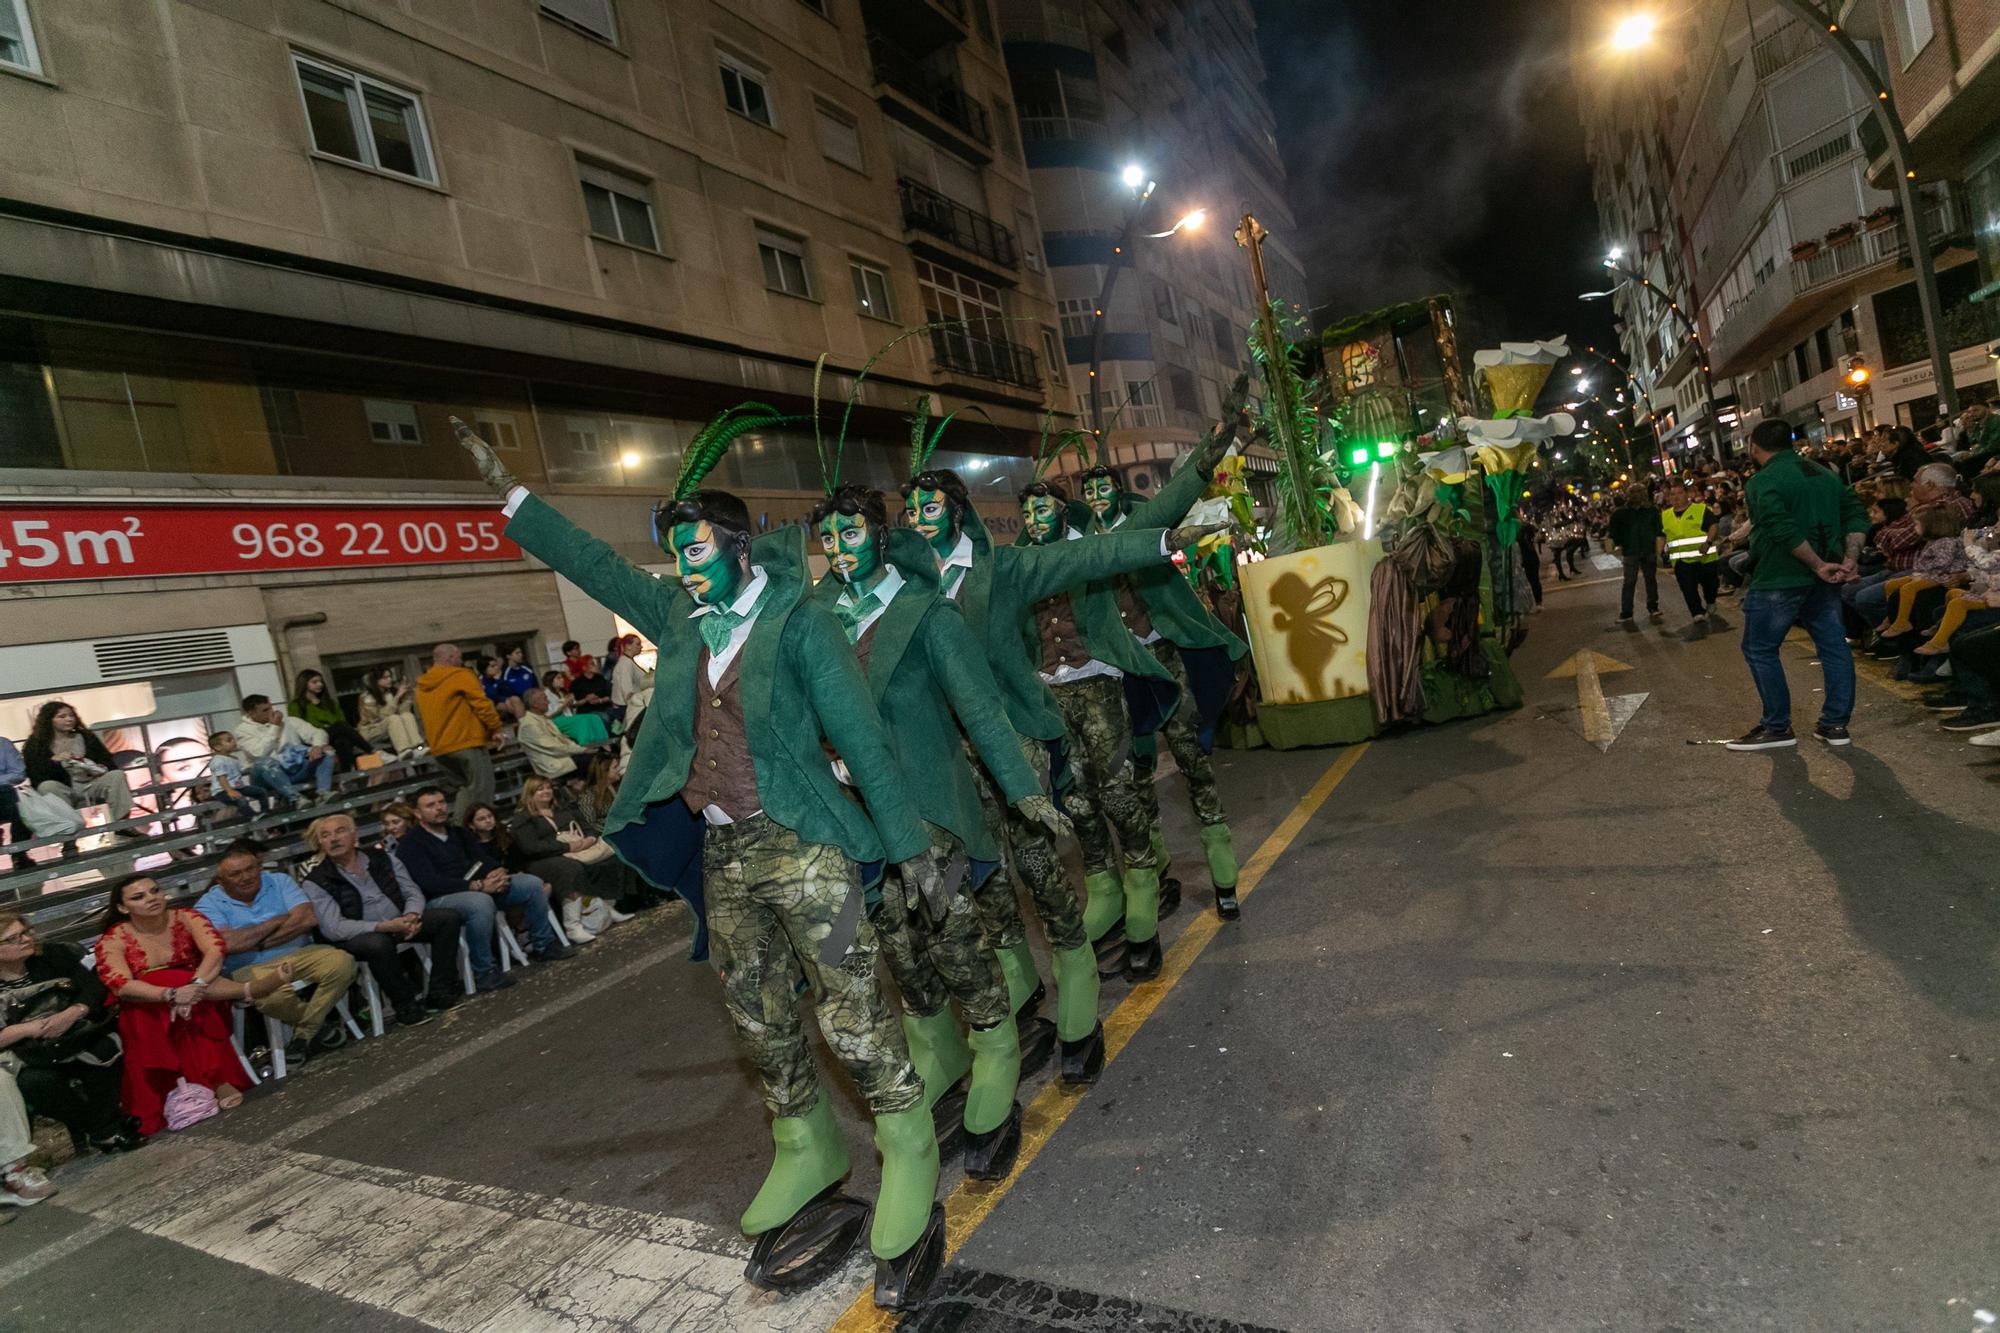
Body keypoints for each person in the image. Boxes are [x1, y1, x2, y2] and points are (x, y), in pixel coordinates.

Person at [458, 414, 953, 1309]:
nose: (684, 566)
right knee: (756, 1013)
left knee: (850, 1008)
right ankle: (807, 1143)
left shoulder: (801, 623)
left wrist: (911, 850)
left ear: (738, 548)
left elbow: (866, 743)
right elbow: (600, 569)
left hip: (820, 856)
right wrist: (517, 497)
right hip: (729, 854)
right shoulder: (683, 618)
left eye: (696, 550)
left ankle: (909, 1140)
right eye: (677, 552)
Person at [95, 875, 290, 1133]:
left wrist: (194, 986)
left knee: (187, 986)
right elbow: (120, 983)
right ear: (122, 907)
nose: (151, 898)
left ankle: (212, 1080)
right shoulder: (113, 938)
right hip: (148, 1003)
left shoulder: (186, 917)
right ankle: (246, 992)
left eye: (155, 890)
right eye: (138, 897)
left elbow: (214, 951)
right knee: (166, 992)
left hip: (199, 990)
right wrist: (171, 995)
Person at [1726, 419, 1870, 751]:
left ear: (1754, 447)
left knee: (1760, 648)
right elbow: (1855, 514)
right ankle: (1835, 724)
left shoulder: (1763, 481)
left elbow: (1780, 527)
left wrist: (1817, 564)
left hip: (1781, 574)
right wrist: (1848, 559)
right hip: (1828, 573)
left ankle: (1777, 726)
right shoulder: (1824, 473)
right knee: (1833, 646)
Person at [0, 913, 139, 1184]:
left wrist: (73, 1012)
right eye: (13, 939)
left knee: (103, 1050)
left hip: (74, 1032)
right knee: (35, 1082)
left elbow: (93, 988)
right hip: (26, 1049)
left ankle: (104, 1129)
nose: (26, 940)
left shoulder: (52, 954)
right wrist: (31, 1029)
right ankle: (102, 1128)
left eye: (25, 932)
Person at [194, 841, 357, 1067]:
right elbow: (229, 943)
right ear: (220, 881)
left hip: (300, 954)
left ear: (259, 867)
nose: (246, 877)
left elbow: (306, 919)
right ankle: (314, 1029)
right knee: (272, 996)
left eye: (251, 869)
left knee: (343, 963)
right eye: (236, 874)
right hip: (247, 969)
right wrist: (277, 920)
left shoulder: (279, 881)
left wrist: (256, 942)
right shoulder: (208, 904)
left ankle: (304, 1033)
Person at [393, 787, 571, 984]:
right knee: (479, 902)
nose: (439, 808)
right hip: (440, 899)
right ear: (417, 813)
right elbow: (429, 882)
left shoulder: (458, 832)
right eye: (431, 805)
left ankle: (543, 945)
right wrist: (476, 886)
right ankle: (484, 971)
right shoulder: (410, 844)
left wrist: (497, 872)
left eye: (441, 802)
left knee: (531, 883)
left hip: (479, 887)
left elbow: (483, 859)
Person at [302, 814, 466, 1028]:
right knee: (378, 943)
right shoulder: (315, 881)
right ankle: (405, 1005)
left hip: (400, 921)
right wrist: (383, 926)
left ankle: (440, 991)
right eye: (325, 835)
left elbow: (412, 891)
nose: (333, 839)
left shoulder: (382, 858)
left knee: (447, 919)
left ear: (354, 835)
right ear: (321, 843)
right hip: (357, 937)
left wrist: (411, 915)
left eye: (340, 831)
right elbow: (334, 928)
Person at [503, 779, 634, 943]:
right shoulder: (523, 819)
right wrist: (567, 847)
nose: (546, 791)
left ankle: (607, 906)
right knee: (569, 868)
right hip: (542, 860)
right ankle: (573, 926)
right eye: (540, 789)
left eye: (548, 788)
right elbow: (532, 847)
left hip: (577, 848)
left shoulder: (562, 809)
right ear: (530, 794)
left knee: (612, 858)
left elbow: (587, 827)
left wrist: (590, 839)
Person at [414, 644, 503, 821]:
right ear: (451, 658)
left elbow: (419, 719)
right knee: (481, 794)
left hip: (440, 749)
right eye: (459, 657)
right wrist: (495, 728)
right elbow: (482, 704)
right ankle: (469, 836)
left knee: (464, 790)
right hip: (466, 742)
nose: (461, 661)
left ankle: (460, 831)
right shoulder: (460, 675)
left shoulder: (421, 686)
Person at [24, 701, 137, 820]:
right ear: (49, 720)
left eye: (71, 716)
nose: (69, 719)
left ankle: (121, 822)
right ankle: (68, 829)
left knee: (117, 775)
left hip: (91, 783)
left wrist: (95, 768)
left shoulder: (86, 737)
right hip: (64, 788)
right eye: (62, 716)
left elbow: (108, 762)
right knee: (47, 786)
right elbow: (35, 774)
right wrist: (54, 762)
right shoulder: (35, 744)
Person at [1658, 479, 1726, 632]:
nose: (1676, 497)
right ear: (1668, 498)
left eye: (1680, 493)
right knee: (1688, 587)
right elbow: (1660, 536)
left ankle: (1710, 600)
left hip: (1705, 557)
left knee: (1711, 585)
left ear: (1687, 494)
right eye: (1672, 494)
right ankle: (1697, 612)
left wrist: (1708, 542)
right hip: (1681, 560)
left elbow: (1713, 526)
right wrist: (1660, 553)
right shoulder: (1664, 516)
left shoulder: (1700, 509)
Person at [234, 695, 335, 795]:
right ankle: (295, 798)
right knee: (264, 763)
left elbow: (318, 733)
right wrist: (274, 726)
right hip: (266, 777)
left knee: (326, 753)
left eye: (270, 707)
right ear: (252, 713)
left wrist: (317, 746)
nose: (271, 712)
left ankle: (323, 793)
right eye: (265, 710)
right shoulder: (242, 730)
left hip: (294, 769)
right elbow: (259, 753)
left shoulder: (289, 721)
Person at [290, 669, 374, 771]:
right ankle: (370, 750)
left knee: (342, 741)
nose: (319, 684)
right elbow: (299, 727)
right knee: (340, 726)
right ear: (304, 684)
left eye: (321, 682)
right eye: (314, 682)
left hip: (335, 735)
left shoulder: (330, 702)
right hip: (314, 738)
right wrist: (322, 739)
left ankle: (346, 777)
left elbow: (341, 720)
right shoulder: (296, 705)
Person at [206, 729, 299, 817]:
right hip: (222, 791)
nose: (234, 742)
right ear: (218, 747)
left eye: (233, 739)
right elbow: (221, 778)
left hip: (238, 787)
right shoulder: (218, 761)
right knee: (241, 800)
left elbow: (241, 770)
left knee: (260, 791)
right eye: (229, 740)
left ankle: (265, 811)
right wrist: (229, 791)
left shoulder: (233, 759)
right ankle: (252, 816)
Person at [1607, 484, 1663, 625]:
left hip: (1646, 549)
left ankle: (1651, 607)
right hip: (1632, 550)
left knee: (1648, 579)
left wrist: (1658, 551)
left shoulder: (1651, 511)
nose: (1637, 495)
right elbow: (1613, 533)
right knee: (1631, 582)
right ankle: (1628, 612)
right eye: (1634, 492)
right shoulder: (1620, 513)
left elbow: (1659, 531)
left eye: (1640, 492)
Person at [517, 688, 595, 779]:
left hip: (564, 758)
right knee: (596, 761)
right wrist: (582, 750)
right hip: (555, 766)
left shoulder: (542, 718)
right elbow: (553, 747)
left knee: (600, 755)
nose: (548, 702)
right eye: (545, 699)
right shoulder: (529, 725)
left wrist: (581, 748)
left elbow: (562, 739)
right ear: (535, 704)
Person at [356, 668, 424, 754]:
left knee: (407, 715)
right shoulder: (367, 697)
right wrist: (397, 697)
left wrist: (408, 697)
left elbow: (402, 712)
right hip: (371, 729)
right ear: (376, 681)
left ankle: (418, 747)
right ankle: (403, 750)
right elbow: (381, 716)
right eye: (385, 677)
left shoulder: (390, 693)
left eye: (390, 677)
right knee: (393, 718)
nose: (389, 679)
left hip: (390, 725)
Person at [609, 632, 653, 710]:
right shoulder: (626, 663)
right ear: (628, 646)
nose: (641, 646)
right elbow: (626, 690)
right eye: (638, 644)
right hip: (627, 707)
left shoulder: (626, 662)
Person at [0, 734, 26, 845]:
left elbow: (18, 773)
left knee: (22, 807)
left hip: (3, 792)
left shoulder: (3, 744)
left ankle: (19, 853)